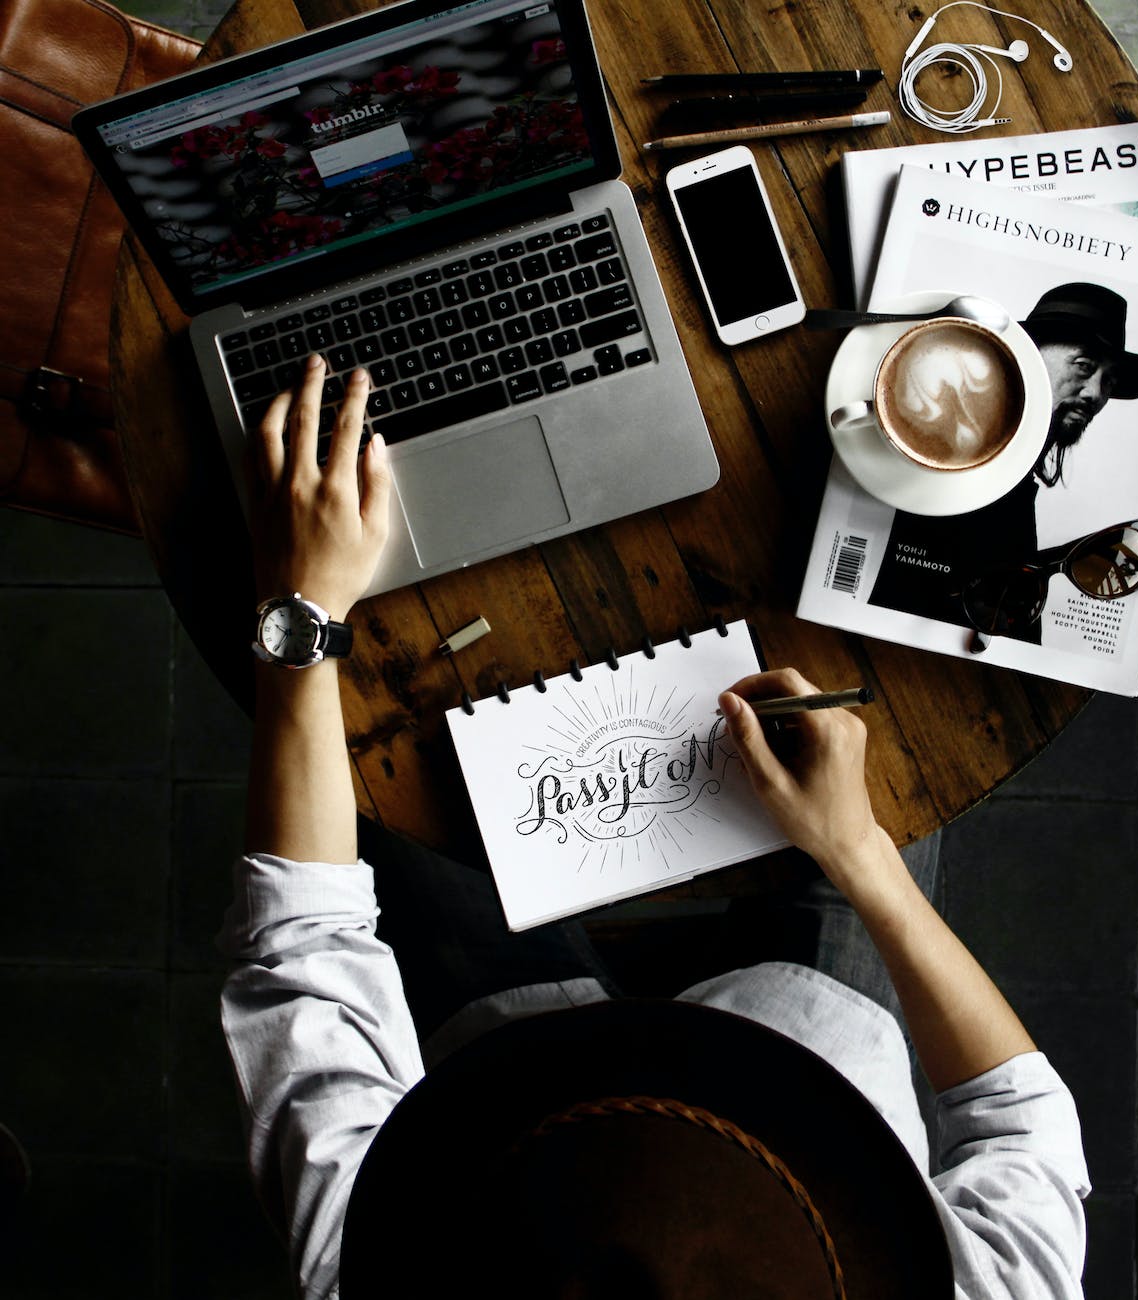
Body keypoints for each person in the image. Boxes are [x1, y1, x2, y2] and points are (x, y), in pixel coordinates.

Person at [219, 356, 1090, 1298]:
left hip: (504, 1054)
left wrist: (301, 614)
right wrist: (857, 851)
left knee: (392, 769)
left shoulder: (374, 1265)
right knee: (887, 689)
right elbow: (1019, 1119)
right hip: (817, 1032)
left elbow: (303, 948)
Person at [867, 281, 1138, 640]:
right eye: (1083, 366)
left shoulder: (1017, 484)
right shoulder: (958, 456)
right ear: (1029, 354)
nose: (1096, 394)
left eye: (1109, 382)